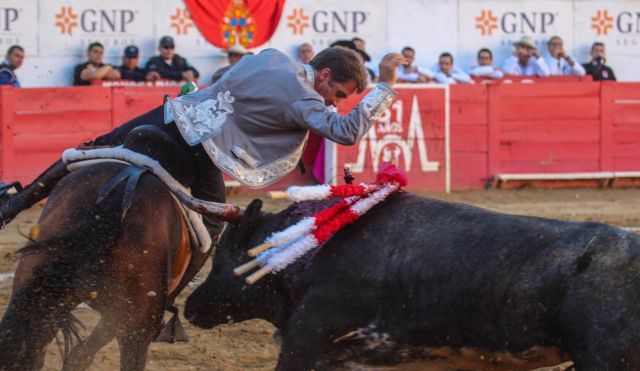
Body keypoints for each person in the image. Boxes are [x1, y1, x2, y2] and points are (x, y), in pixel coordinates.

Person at [0, 49, 408, 238]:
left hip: (174, 116)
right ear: (323, 75)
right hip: (206, 152)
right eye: (341, 93)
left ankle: (12, 205)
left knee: (87, 152)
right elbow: (347, 132)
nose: (336, 103)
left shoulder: (271, 56)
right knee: (208, 230)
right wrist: (385, 82)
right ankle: (166, 304)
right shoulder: (306, 100)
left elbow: (228, 76)